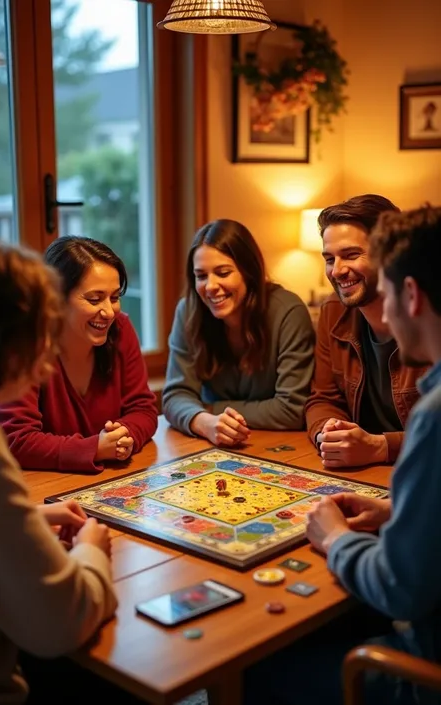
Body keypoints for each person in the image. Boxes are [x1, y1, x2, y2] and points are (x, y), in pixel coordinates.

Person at [244, 204, 441, 705]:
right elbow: (319, 399)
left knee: (255, 661)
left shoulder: (434, 414)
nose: (385, 317)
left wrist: (334, 539)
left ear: (411, 295)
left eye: (392, 298)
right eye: (329, 258)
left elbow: (400, 589)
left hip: (419, 669)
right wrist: (397, 512)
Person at [0, 238, 117, 703]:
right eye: (42, 334)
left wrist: (28, 519)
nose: (48, 354)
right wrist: (91, 551)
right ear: (9, 344)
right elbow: (60, 623)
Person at [0, 236, 158, 473]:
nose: (109, 312)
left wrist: (125, 435)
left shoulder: (121, 329)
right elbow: (16, 439)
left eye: (114, 298)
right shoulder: (22, 343)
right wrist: (96, 448)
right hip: (38, 490)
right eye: (94, 299)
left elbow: (143, 409)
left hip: (103, 484)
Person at [162, 219, 315, 446]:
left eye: (223, 273)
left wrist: (210, 409)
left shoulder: (288, 312)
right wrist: (204, 422)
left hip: (280, 445)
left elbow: (291, 409)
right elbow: (175, 396)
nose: (210, 286)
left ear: (249, 272)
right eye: (201, 276)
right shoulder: (188, 311)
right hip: (212, 444)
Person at [305, 194, 426, 468]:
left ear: (390, 254)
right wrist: (329, 432)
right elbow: (322, 398)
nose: (336, 271)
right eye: (329, 259)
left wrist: (381, 446)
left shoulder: (429, 317)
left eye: (351, 255)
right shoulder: (333, 311)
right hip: (363, 473)